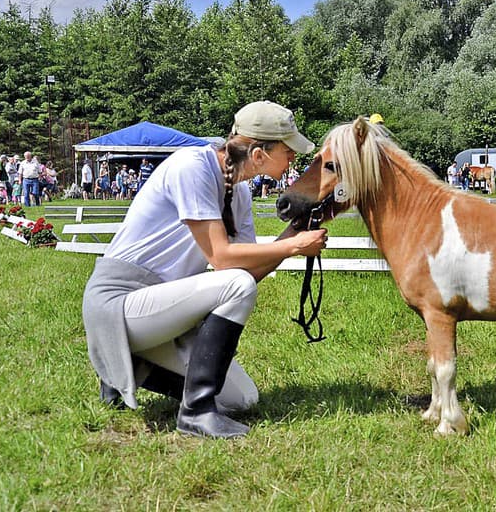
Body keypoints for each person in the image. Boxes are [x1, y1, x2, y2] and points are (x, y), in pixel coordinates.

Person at [82, 100, 328, 439]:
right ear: (259, 155)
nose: (293, 159)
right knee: (237, 284)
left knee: (243, 400)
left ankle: (124, 372)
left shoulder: (238, 193)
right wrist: (293, 247)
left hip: (161, 310)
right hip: (120, 302)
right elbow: (224, 260)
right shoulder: (192, 166)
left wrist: (291, 235)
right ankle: (195, 413)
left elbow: (249, 271)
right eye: (289, 151)